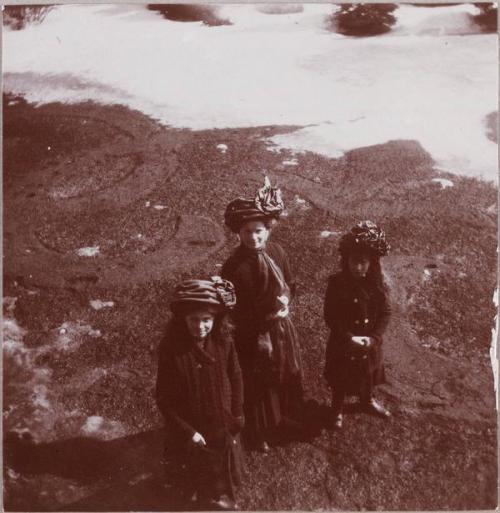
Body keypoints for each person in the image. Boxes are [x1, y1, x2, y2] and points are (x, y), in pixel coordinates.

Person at [221, 177, 304, 453]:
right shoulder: (233, 267)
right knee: (256, 383)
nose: (253, 237)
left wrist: (286, 301)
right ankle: (257, 432)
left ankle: (280, 420)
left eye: (258, 231)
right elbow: (232, 309)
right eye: (246, 232)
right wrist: (259, 328)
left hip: (280, 327)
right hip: (253, 335)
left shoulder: (278, 252)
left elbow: (290, 283)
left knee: (282, 374)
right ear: (238, 233)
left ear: (268, 230)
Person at [156, 277, 245, 511]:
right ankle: (202, 496)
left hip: (221, 418)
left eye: (206, 320)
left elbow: (235, 376)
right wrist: (189, 432)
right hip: (192, 426)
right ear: (182, 320)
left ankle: (221, 495)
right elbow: (164, 399)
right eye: (193, 320)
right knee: (195, 469)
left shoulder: (224, 342)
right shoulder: (171, 351)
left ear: (216, 319)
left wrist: (237, 412)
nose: (200, 326)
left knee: (221, 463)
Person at [323, 220, 391, 430]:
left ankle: (367, 400)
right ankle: (336, 409)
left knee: (367, 372)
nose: (358, 267)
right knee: (341, 378)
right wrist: (348, 337)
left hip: (370, 343)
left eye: (363, 262)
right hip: (344, 343)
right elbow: (330, 316)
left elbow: (385, 313)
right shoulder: (337, 283)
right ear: (346, 260)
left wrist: (373, 338)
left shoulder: (378, 286)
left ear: (372, 263)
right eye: (353, 261)